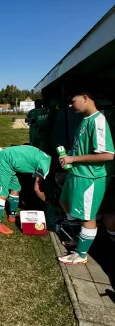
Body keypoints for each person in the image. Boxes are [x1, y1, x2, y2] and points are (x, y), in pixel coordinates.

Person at [58, 90, 114, 265]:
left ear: (85, 98)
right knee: (64, 202)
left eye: (72, 100)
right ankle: (79, 239)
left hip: (89, 178)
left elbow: (108, 154)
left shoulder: (98, 120)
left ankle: (81, 254)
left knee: (87, 217)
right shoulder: (85, 120)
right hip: (76, 174)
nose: (69, 105)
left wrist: (73, 159)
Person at [0, 145, 51, 235]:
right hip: (2, 161)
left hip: (10, 163)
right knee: (3, 193)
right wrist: (48, 202)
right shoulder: (45, 165)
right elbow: (37, 188)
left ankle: (12, 216)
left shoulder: (48, 158)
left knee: (16, 188)